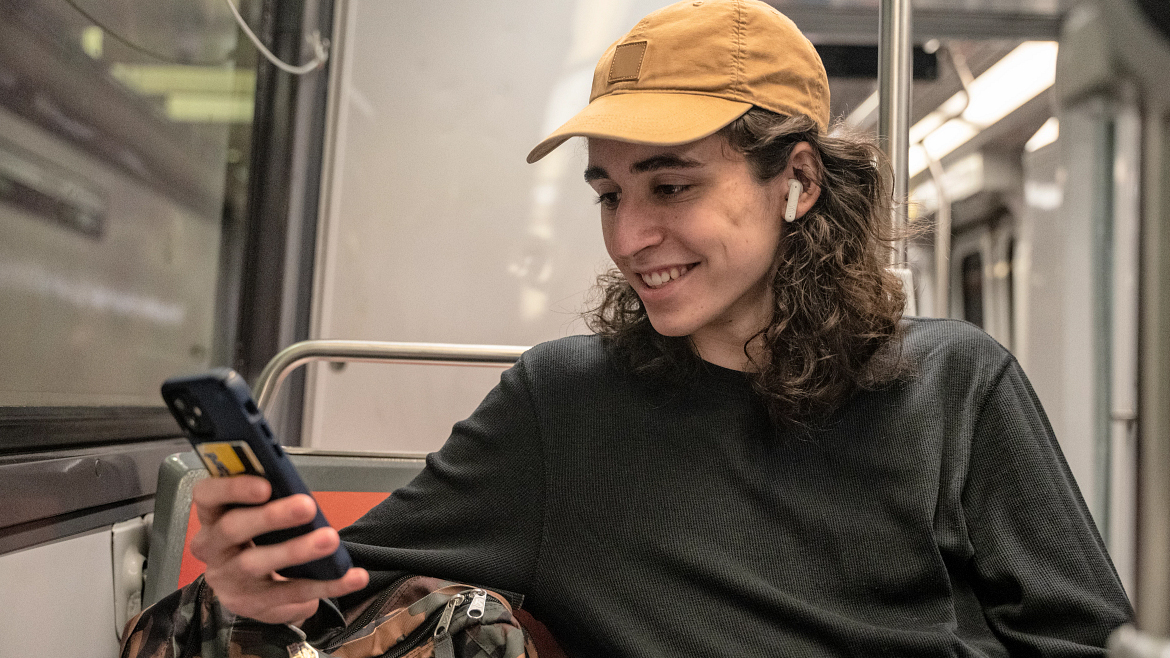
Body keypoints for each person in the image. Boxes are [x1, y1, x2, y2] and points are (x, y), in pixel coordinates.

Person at [190, 0, 1133, 655]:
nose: (629, 237)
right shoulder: (562, 409)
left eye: (672, 186)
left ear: (798, 182)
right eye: (610, 193)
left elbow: (1084, 640)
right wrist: (255, 590)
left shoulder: (955, 384)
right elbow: (338, 597)